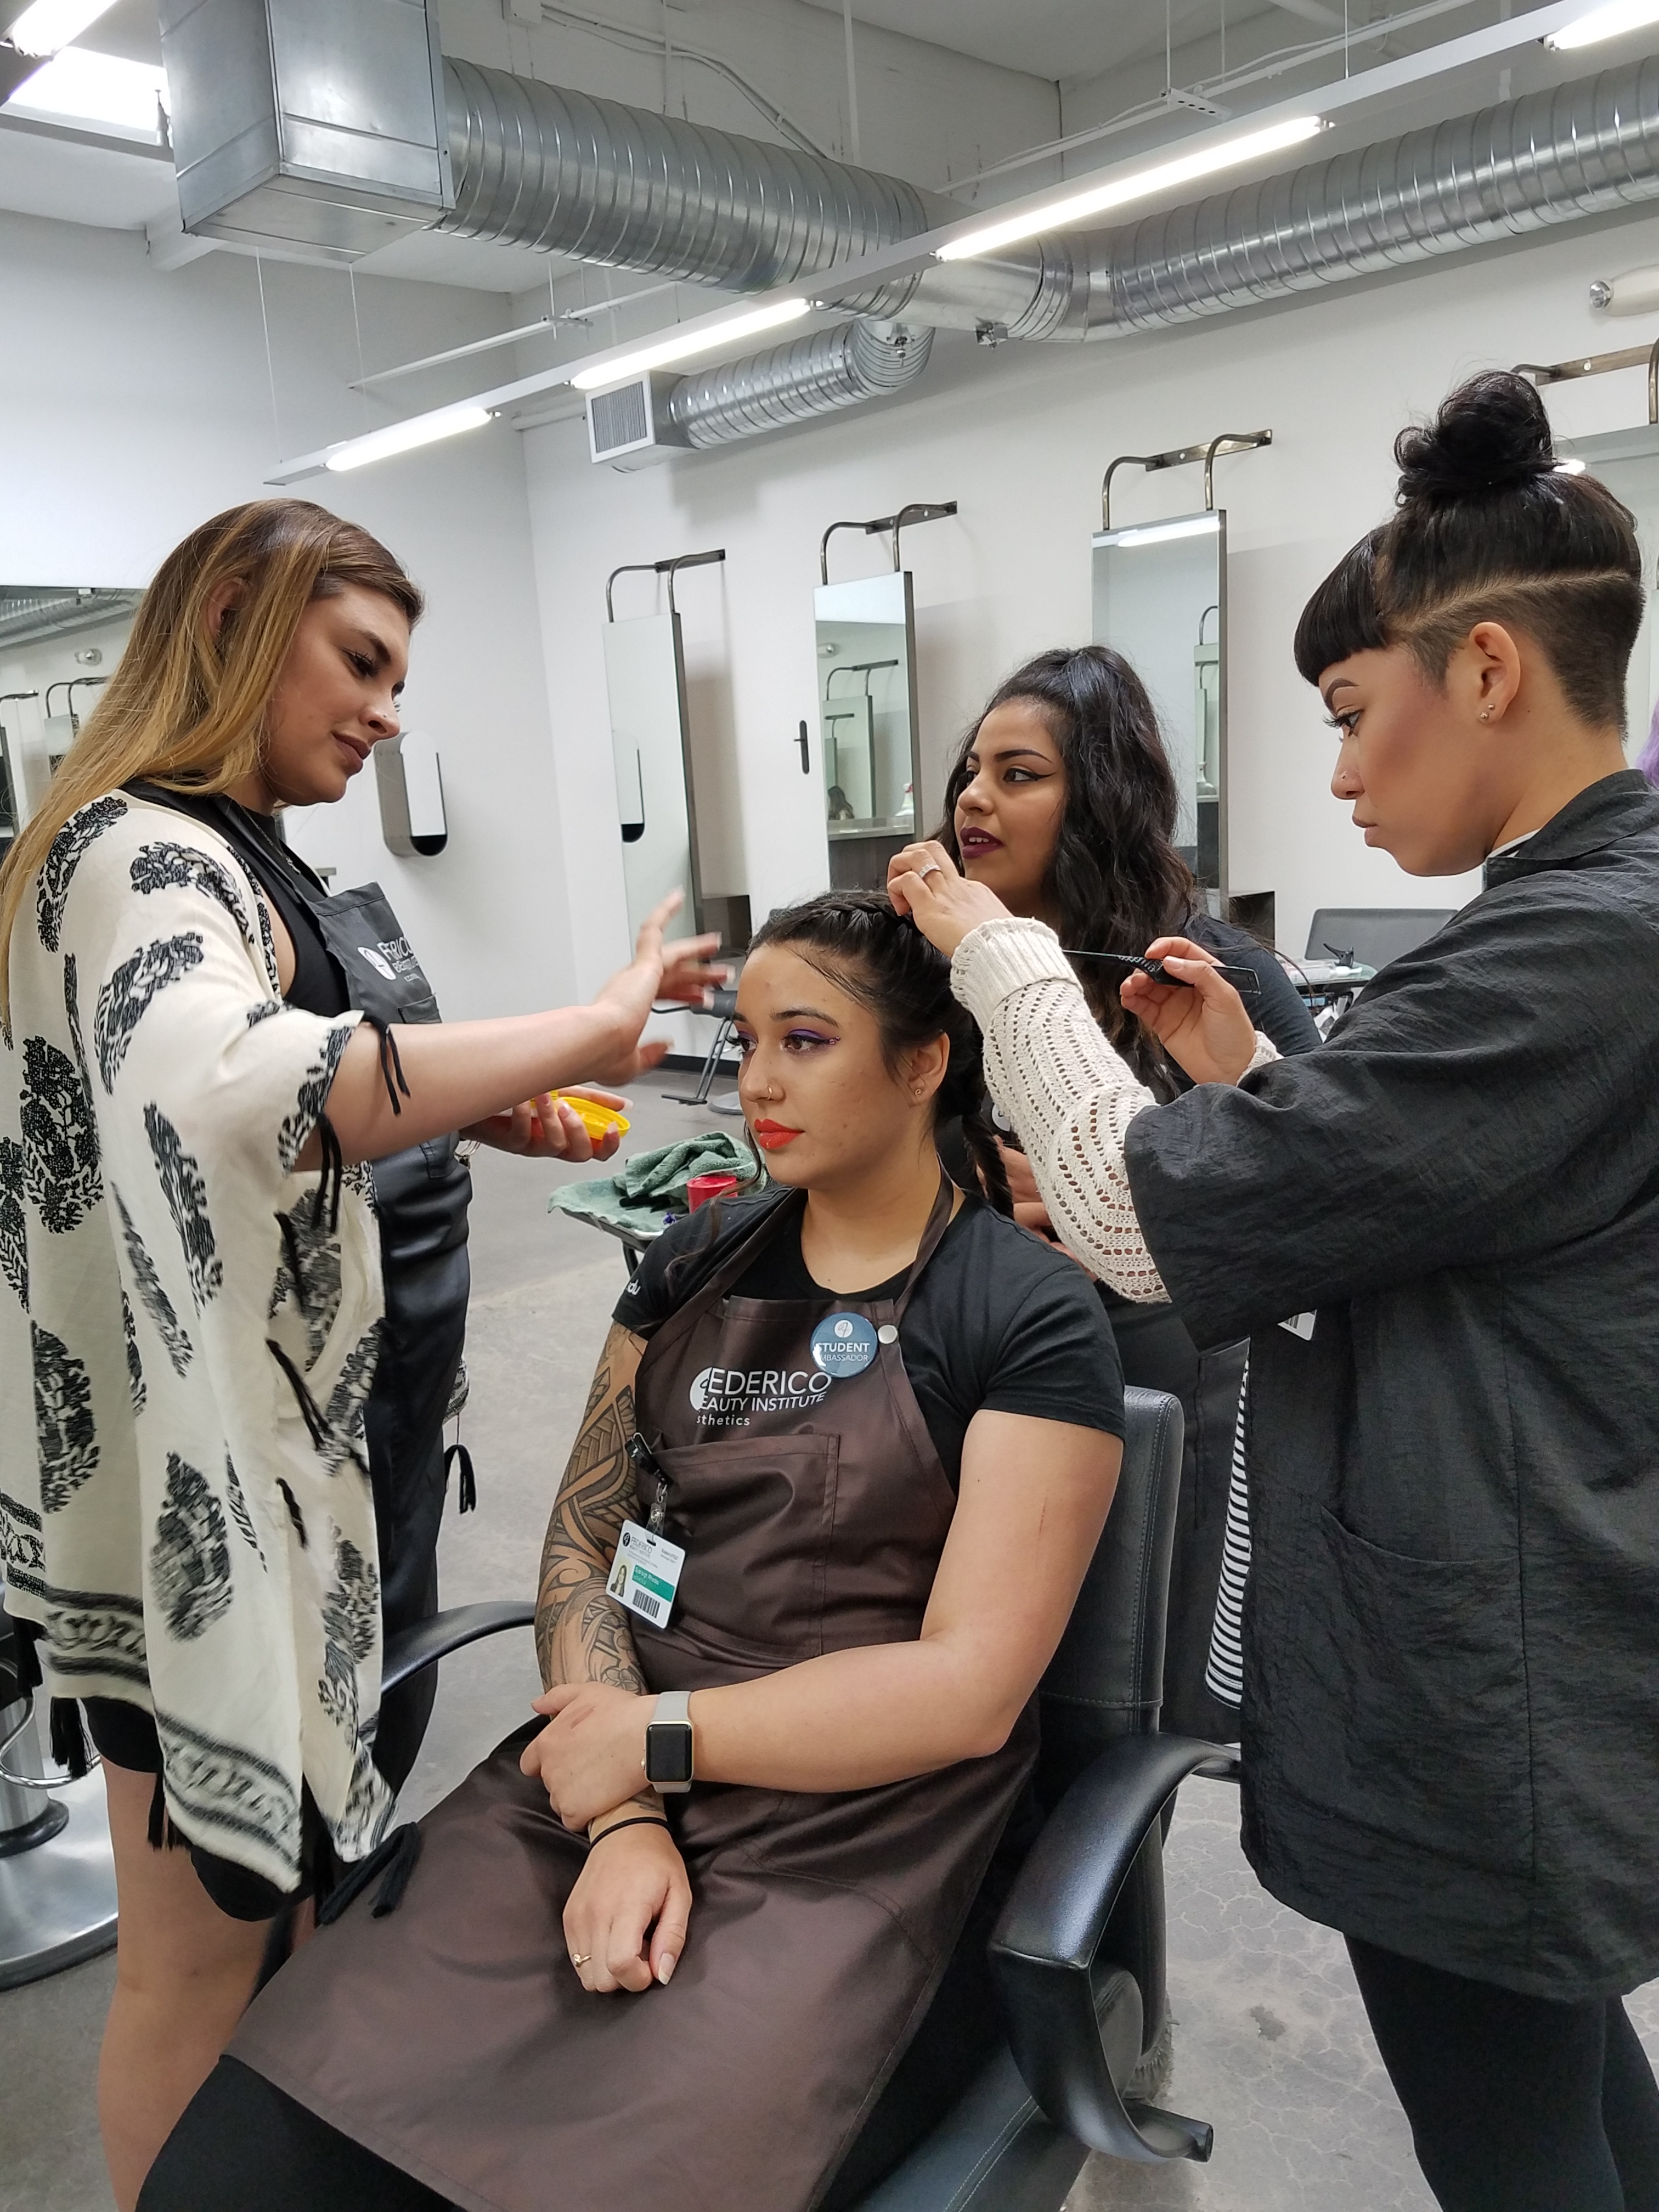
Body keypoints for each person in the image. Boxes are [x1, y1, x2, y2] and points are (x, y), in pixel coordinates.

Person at [889, 370, 1659, 2212]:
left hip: (1488, 1690)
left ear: (1482, 671)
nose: (1331, 773)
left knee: (1510, 2130)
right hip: (1524, 1626)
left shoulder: (1569, 949)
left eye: (1347, 714)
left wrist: (995, 961)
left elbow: (1136, 1221)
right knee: (1566, 2082)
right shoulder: (1582, 910)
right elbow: (1451, 1209)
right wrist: (1249, 1081)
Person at [138, 889, 1125, 2212]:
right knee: (253, 2166)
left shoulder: (1027, 1316)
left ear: (925, 1061)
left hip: (856, 1832)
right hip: (605, 1771)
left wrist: (658, 1744)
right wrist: (620, 1815)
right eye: (749, 1037)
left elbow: (969, 1689)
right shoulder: (695, 1258)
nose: (758, 1080)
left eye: (808, 1042)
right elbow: (584, 1540)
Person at [0, 498, 723, 2210]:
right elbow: (243, 1089)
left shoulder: (245, 851)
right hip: (209, 1499)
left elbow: (295, 1111)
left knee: (299, 1921)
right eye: (363, 661)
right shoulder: (137, 851)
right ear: (240, 615)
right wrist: (601, 1021)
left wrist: (482, 1115)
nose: (391, 711)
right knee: (196, 1964)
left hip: (311, 1471)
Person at [934, 646, 1316, 1745]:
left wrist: (1096, 1194)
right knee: (995, 1696)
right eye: (971, 771)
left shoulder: (1208, 965)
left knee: (1129, 1701)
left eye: (1019, 774)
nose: (975, 796)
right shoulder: (942, 967)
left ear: (1097, 793)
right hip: (986, 1366)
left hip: (1167, 1374)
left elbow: (1301, 1159)